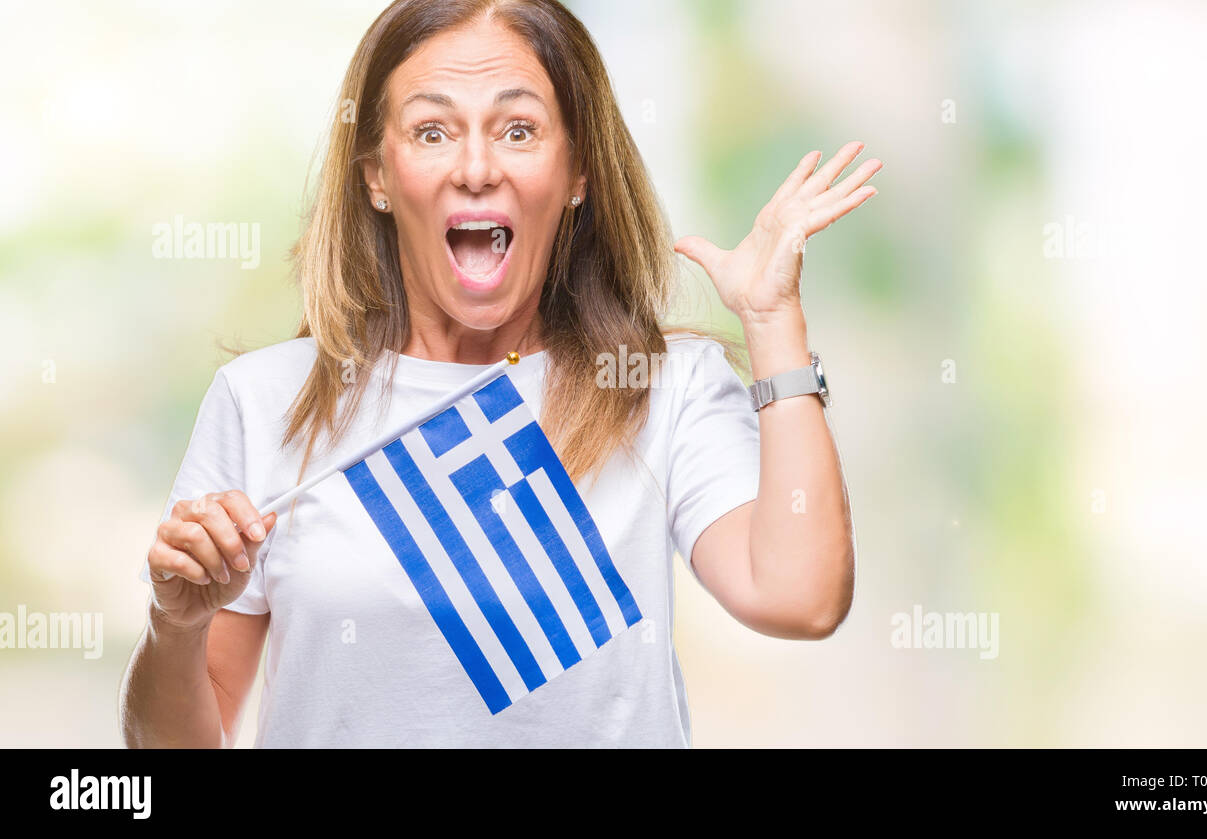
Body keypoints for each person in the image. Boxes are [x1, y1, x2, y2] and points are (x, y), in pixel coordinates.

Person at [120, 0, 878, 748]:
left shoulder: (660, 384)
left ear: (578, 170)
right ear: (376, 177)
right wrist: (174, 623)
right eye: (431, 130)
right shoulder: (264, 403)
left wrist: (774, 320)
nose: (477, 168)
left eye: (518, 130)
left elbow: (801, 597)